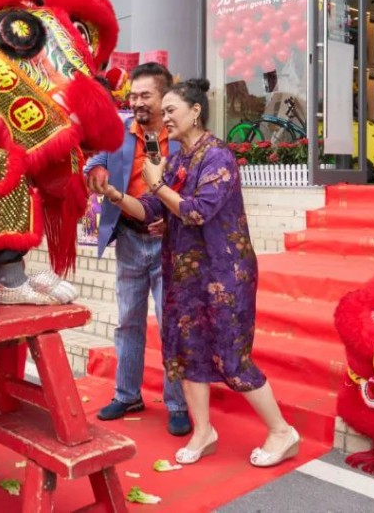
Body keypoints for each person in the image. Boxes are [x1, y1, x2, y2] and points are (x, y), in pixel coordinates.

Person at [102, 79, 298, 467]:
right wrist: (116, 197)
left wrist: (156, 183)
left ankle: (282, 431)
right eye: (165, 112)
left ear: (196, 111)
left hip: (225, 274)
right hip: (185, 273)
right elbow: (153, 210)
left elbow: (195, 211)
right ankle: (203, 431)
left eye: (171, 110)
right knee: (187, 352)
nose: (165, 117)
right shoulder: (177, 159)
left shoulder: (218, 157)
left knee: (231, 357)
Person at [85, 62, 190, 436]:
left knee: (171, 324)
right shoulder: (119, 129)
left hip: (171, 244)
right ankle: (127, 394)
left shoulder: (182, 136)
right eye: (133, 95)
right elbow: (98, 156)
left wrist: (175, 220)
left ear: (166, 97)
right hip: (129, 237)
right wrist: (95, 171)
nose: (137, 102)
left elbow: (196, 190)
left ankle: (178, 403)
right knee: (128, 321)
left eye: (146, 95)